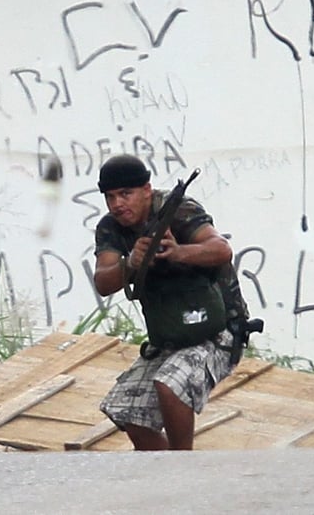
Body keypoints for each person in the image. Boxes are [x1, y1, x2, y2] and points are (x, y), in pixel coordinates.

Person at [92, 154, 250, 450]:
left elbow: (220, 250)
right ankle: (169, 470)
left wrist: (176, 253)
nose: (117, 204)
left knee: (170, 386)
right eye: (110, 197)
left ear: (146, 190)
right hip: (170, 337)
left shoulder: (178, 211)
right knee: (125, 410)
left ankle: (182, 467)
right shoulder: (110, 228)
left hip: (218, 332)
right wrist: (132, 264)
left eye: (126, 194)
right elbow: (103, 280)